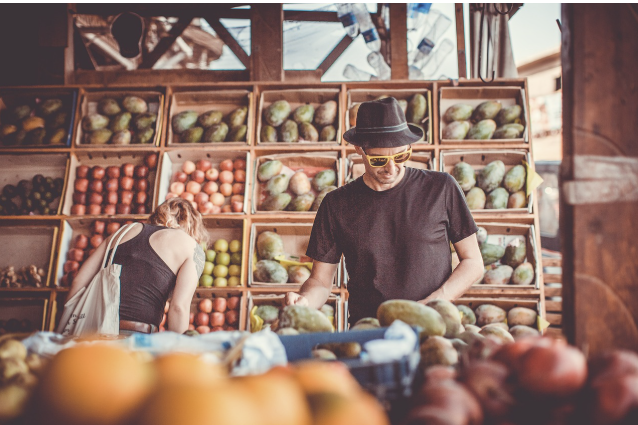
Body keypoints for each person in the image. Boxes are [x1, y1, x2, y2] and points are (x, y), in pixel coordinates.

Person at [285, 97, 484, 326]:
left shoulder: (441, 188)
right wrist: (305, 302)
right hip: (369, 329)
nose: (391, 168)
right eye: (379, 159)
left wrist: (434, 302)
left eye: (401, 156)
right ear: (359, 149)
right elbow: (320, 280)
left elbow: (473, 261)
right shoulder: (336, 204)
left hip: (434, 326)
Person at [65, 197, 208, 334]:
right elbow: (178, 308)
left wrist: (68, 328)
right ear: (193, 227)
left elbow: (78, 282)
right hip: (135, 336)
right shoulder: (191, 247)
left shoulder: (123, 232)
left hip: (91, 330)